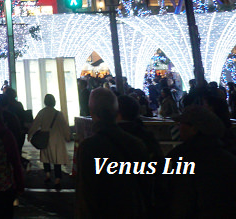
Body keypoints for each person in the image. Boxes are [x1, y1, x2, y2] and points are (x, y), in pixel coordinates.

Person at [74, 87, 152, 218]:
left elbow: (86, 194)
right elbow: (146, 185)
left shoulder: (89, 147)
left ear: (92, 113)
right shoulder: (136, 144)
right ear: (117, 112)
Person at [162, 104, 236, 217]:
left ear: (194, 128)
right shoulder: (227, 157)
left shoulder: (180, 157)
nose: (179, 126)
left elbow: (176, 196)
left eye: (181, 123)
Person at [27, 94, 72, 190]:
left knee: (46, 157)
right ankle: (57, 179)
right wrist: (68, 136)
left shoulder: (42, 112)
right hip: (57, 139)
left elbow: (35, 124)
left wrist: (30, 134)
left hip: (45, 138)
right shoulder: (58, 114)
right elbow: (64, 127)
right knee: (57, 159)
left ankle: (47, 174)